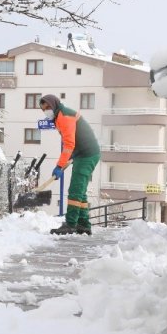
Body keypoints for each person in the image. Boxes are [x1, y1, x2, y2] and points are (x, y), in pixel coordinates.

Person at [39, 94, 100, 235]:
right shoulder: (59, 116)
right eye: (43, 109)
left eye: (48, 107)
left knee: (75, 189)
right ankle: (83, 224)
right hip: (83, 154)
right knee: (80, 191)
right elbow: (73, 140)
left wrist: (59, 166)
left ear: (54, 105)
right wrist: (69, 158)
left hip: (87, 154)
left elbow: (69, 144)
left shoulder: (64, 117)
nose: (46, 111)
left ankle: (71, 224)